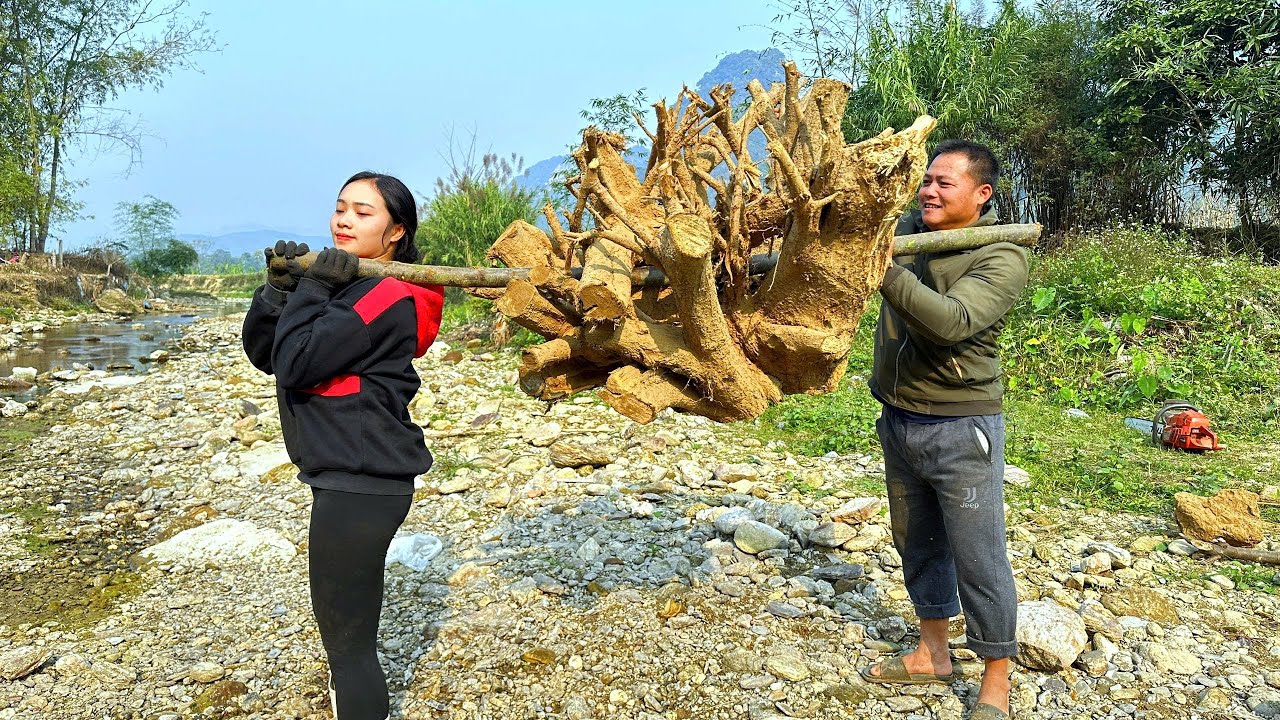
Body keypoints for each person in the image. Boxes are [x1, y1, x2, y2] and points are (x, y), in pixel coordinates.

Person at [241, 171, 444, 720]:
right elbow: (271, 355)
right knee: (345, 638)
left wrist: (312, 289)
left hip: (364, 483)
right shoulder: (356, 286)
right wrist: (278, 292)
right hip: (347, 479)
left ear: (396, 230)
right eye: (340, 208)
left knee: (349, 648)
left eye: (363, 212)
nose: (344, 220)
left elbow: (298, 362)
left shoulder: (386, 295)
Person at [860, 140, 1029, 720]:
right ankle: (933, 652)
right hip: (901, 419)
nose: (929, 192)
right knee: (917, 542)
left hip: (961, 427)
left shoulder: (1002, 255)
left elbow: (951, 324)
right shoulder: (908, 230)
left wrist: (880, 265)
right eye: (926, 181)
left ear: (981, 196)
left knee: (978, 555)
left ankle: (996, 681)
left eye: (944, 184)